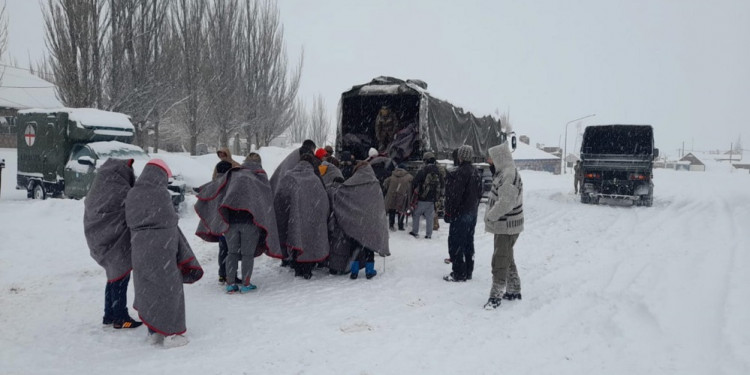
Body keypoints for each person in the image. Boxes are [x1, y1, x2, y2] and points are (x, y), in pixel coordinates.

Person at [125, 159, 204, 347]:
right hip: (162, 249)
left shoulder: (132, 193)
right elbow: (170, 220)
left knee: (147, 289)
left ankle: (153, 331)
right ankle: (171, 334)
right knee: (169, 290)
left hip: (139, 248)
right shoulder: (160, 194)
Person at [195, 153, 280, 294]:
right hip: (250, 223)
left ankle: (230, 284)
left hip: (231, 223)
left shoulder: (234, 174)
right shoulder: (259, 177)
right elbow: (265, 201)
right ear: (259, 163)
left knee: (231, 253)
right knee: (247, 254)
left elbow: (218, 186)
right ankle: (246, 283)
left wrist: (202, 191)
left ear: (245, 161)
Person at [83, 158, 142, 329]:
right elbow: (131, 204)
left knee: (113, 275)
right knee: (120, 276)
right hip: (114, 239)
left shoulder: (102, 184)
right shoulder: (118, 189)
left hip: (101, 237)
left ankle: (109, 314)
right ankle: (120, 317)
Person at [272, 153, 330, 279]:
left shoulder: (289, 176)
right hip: (311, 219)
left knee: (295, 237)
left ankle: (296, 265)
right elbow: (324, 201)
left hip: (293, 218)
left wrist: (287, 213)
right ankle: (307, 268)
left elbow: (279, 198)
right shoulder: (314, 179)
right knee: (309, 242)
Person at [327, 161, 390, 278]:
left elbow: (340, 194)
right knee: (369, 248)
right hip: (371, 222)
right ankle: (369, 271)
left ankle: (354, 271)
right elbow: (379, 205)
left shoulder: (350, 183)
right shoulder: (375, 184)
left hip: (355, 221)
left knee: (354, 247)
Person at [483, 141, 524, 310]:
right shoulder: (504, 172)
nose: (488, 161)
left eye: (490, 159)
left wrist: (491, 216)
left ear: (499, 158)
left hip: (506, 225)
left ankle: (495, 296)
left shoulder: (508, 174)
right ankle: (514, 289)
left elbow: (506, 202)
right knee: (507, 258)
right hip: (505, 225)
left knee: (499, 260)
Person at [443, 145, 482, 282]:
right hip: (472, 213)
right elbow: (480, 193)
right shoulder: (476, 172)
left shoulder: (460, 173)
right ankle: (468, 271)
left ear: (460, 157)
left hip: (460, 214)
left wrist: (449, 212)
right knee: (468, 242)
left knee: (456, 242)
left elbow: (454, 196)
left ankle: (459, 273)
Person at [213, 160, 238, 285]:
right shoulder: (229, 183)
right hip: (229, 221)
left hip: (218, 221)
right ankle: (230, 275)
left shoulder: (215, 183)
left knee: (223, 249)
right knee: (231, 250)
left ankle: (222, 274)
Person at [409, 152, 444, 239]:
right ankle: (428, 234)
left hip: (423, 197)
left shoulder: (424, 170)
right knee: (429, 216)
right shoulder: (438, 171)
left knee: (416, 214)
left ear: (426, 160)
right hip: (433, 199)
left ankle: (415, 231)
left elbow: (415, 182)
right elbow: (443, 184)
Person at [383, 163, 413, 231]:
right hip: (402, 195)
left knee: (392, 209)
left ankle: (391, 224)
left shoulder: (392, 175)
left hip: (392, 195)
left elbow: (385, 184)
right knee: (401, 210)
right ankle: (400, 225)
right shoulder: (409, 177)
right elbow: (411, 186)